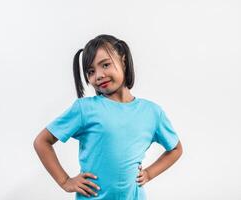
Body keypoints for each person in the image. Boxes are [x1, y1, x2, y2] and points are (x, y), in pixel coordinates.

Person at [33, 34, 183, 199]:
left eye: (105, 65)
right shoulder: (85, 109)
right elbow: (42, 142)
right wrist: (65, 181)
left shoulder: (152, 113)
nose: (98, 75)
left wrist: (148, 173)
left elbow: (175, 149)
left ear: (123, 61)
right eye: (91, 71)